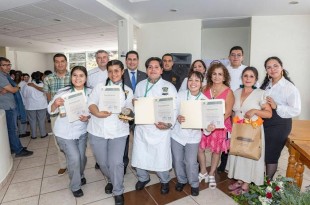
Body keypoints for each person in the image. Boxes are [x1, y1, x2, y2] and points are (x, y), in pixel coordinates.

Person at [88, 60, 133, 205]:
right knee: (102, 162)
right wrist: (97, 113)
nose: (113, 74)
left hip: (119, 131)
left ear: (122, 72)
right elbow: (91, 104)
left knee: (116, 163)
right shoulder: (99, 87)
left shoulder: (128, 91)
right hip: (97, 129)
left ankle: (118, 190)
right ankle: (111, 180)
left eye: (116, 71)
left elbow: (128, 108)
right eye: (110, 71)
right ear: (107, 72)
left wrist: (126, 116)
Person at [131, 57, 178, 195]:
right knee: (140, 155)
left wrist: (168, 124)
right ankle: (143, 178)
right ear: (146, 70)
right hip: (143, 128)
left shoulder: (169, 87)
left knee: (161, 156)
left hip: (160, 130)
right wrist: (134, 105)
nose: (153, 69)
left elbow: (175, 108)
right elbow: (136, 107)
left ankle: (164, 180)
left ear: (162, 70)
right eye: (150, 67)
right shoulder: (140, 85)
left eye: (156, 67)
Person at [227, 67, 272, 195]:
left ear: (256, 79)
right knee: (239, 154)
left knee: (249, 155)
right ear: (242, 78)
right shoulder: (236, 92)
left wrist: (255, 111)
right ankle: (240, 180)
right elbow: (232, 111)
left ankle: (246, 183)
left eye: (251, 76)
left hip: (253, 129)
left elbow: (268, 114)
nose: (248, 78)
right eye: (245, 76)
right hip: (239, 128)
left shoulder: (260, 93)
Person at [48, 66, 91, 198]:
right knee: (74, 158)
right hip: (64, 132)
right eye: (75, 75)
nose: (77, 78)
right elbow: (50, 110)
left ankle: (80, 175)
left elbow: (94, 110)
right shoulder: (63, 92)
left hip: (82, 131)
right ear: (71, 77)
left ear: (86, 78)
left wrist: (88, 117)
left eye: (81, 76)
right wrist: (55, 104)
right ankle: (75, 185)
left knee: (82, 158)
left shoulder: (91, 92)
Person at [171, 71, 214, 196]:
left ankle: (194, 183)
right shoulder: (180, 95)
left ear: (201, 84)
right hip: (177, 134)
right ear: (187, 82)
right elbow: (173, 111)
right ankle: (181, 180)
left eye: (197, 80)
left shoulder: (204, 100)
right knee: (177, 160)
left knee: (190, 161)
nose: (193, 83)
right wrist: (177, 117)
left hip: (193, 137)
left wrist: (209, 128)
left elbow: (207, 123)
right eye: (190, 80)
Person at [260, 56, 301, 179]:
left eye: (275, 66)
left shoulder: (289, 87)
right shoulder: (266, 85)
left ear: (281, 67)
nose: (272, 69)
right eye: (269, 67)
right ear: (266, 71)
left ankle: (267, 184)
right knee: (262, 152)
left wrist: (277, 106)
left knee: (271, 153)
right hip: (265, 121)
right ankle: (259, 179)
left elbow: (296, 110)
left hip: (280, 123)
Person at [197, 62, 234, 189]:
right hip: (204, 125)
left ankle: (212, 173)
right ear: (210, 75)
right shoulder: (204, 88)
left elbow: (228, 112)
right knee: (200, 148)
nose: (217, 77)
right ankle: (203, 171)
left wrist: (216, 123)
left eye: (220, 74)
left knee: (216, 151)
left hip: (220, 126)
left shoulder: (228, 92)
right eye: (214, 74)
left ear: (224, 77)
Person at [217, 46, 247, 173]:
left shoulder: (246, 70)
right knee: (226, 137)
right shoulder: (224, 70)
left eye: (238, 55)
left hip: (241, 110)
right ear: (229, 57)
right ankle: (224, 162)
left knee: (239, 137)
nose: (235, 57)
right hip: (226, 109)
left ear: (242, 57)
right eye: (233, 55)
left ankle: (238, 165)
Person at [0, 57, 33, 157]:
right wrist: (16, 87)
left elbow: (10, 89)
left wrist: (10, 89)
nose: (8, 67)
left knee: (12, 129)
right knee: (12, 129)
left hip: (10, 105)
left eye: (9, 64)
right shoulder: (1, 76)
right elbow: (14, 90)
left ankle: (14, 147)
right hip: (7, 107)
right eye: (5, 65)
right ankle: (18, 150)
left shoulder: (6, 75)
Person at [43, 53, 71, 175]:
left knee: (74, 139)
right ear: (54, 63)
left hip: (72, 114)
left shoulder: (73, 76)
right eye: (57, 61)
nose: (60, 64)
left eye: (62, 61)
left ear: (66, 62)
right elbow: (48, 97)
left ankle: (73, 163)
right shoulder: (48, 78)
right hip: (56, 115)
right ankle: (63, 164)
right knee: (58, 140)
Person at [123, 50, 147, 174]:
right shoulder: (120, 75)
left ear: (138, 61)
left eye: (134, 59)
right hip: (126, 111)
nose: (132, 62)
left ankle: (142, 164)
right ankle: (123, 165)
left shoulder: (145, 75)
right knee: (124, 140)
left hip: (141, 113)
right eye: (129, 59)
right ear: (126, 61)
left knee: (141, 140)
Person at [87, 49, 110, 170]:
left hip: (111, 109)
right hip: (95, 110)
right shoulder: (89, 74)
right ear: (96, 60)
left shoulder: (113, 72)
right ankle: (99, 160)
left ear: (108, 58)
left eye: (104, 57)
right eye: (99, 58)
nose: (102, 60)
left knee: (110, 136)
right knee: (98, 137)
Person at [22, 71, 48, 139]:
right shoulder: (43, 84)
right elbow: (46, 92)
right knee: (41, 120)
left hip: (30, 106)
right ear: (39, 77)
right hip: (41, 105)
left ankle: (34, 135)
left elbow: (24, 95)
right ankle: (43, 134)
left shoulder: (27, 85)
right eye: (42, 76)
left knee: (32, 121)